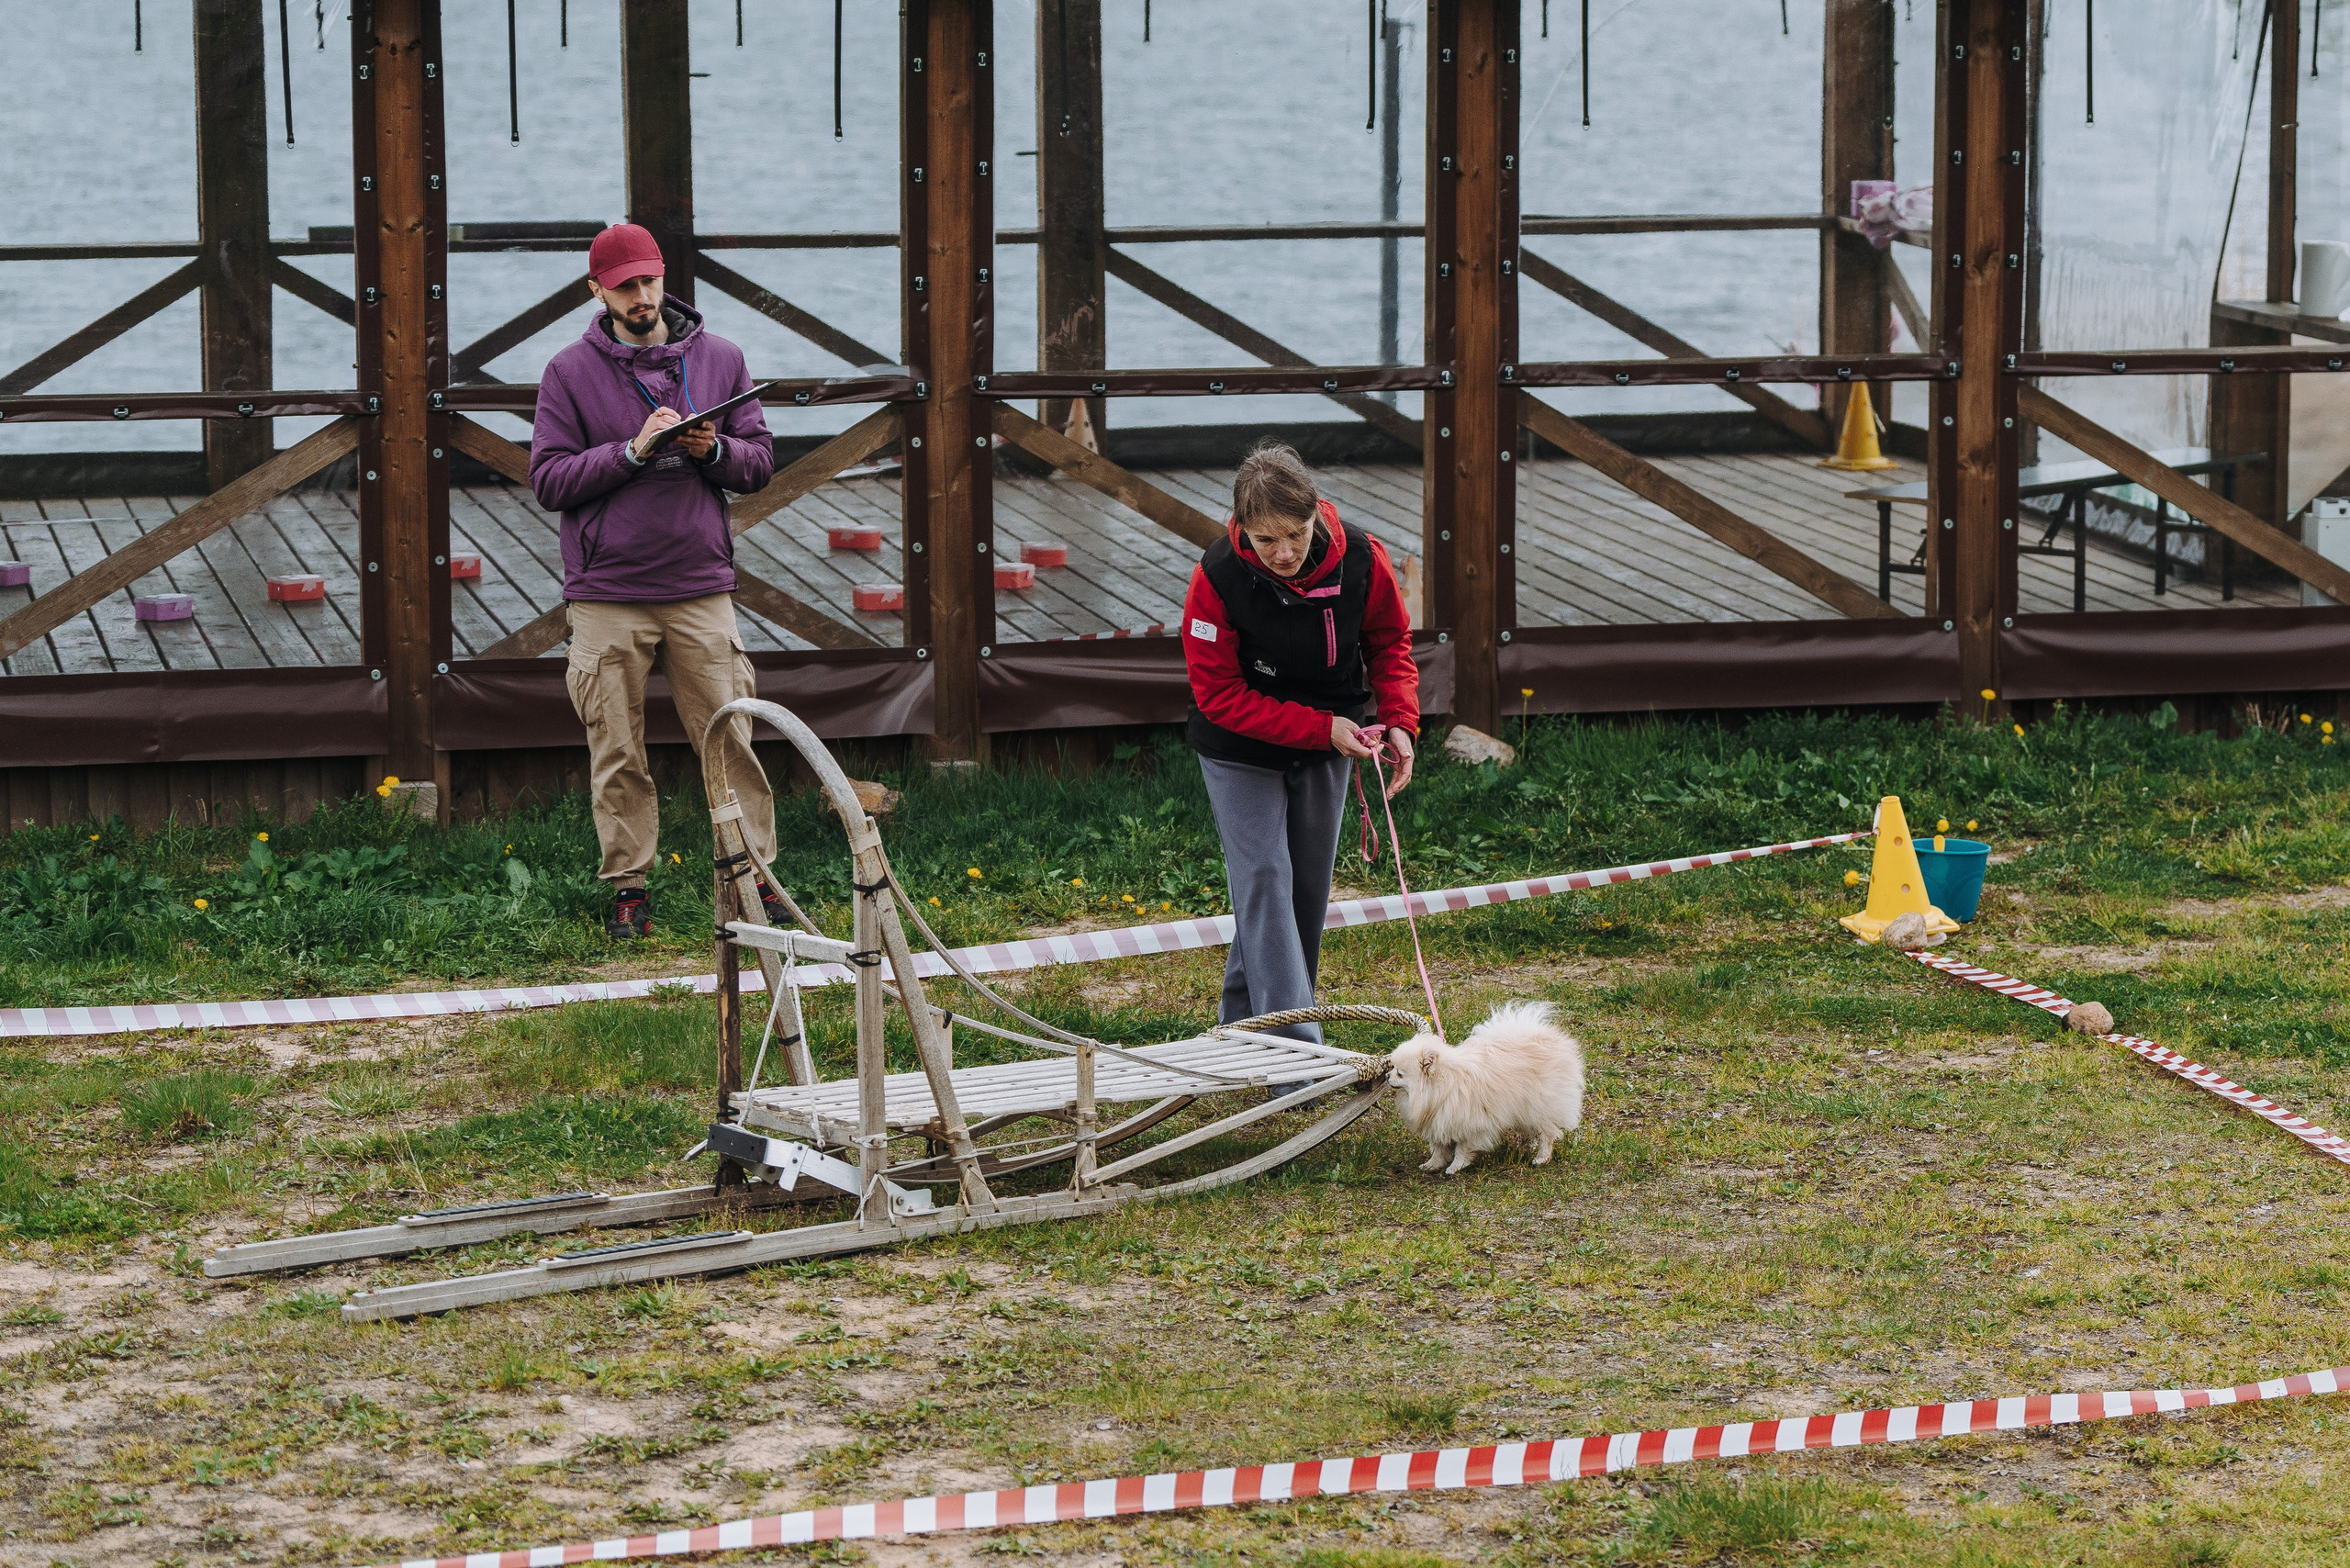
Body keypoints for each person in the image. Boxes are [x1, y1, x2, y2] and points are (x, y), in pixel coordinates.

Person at [531, 223, 781, 939]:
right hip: (606, 594)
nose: (641, 298)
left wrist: (716, 449)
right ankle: (628, 892)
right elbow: (548, 480)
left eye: (649, 281)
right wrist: (631, 452)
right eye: (625, 287)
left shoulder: (724, 358)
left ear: (664, 277)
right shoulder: (567, 373)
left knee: (732, 739)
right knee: (617, 751)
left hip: (701, 585)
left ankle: (753, 883)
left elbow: (759, 465)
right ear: (597, 291)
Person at [1181, 440, 1419, 1045]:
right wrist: (1319, 728)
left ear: (1318, 514)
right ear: (1242, 529)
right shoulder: (1215, 578)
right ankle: (1296, 1056)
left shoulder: (1364, 559)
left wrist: (1399, 718)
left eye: (1297, 533)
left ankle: (1243, 1029)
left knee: (1304, 891)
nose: (1284, 552)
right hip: (1239, 744)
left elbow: (1390, 642)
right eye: (1266, 540)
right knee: (1263, 877)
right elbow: (1218, 696)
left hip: (1331, 738)